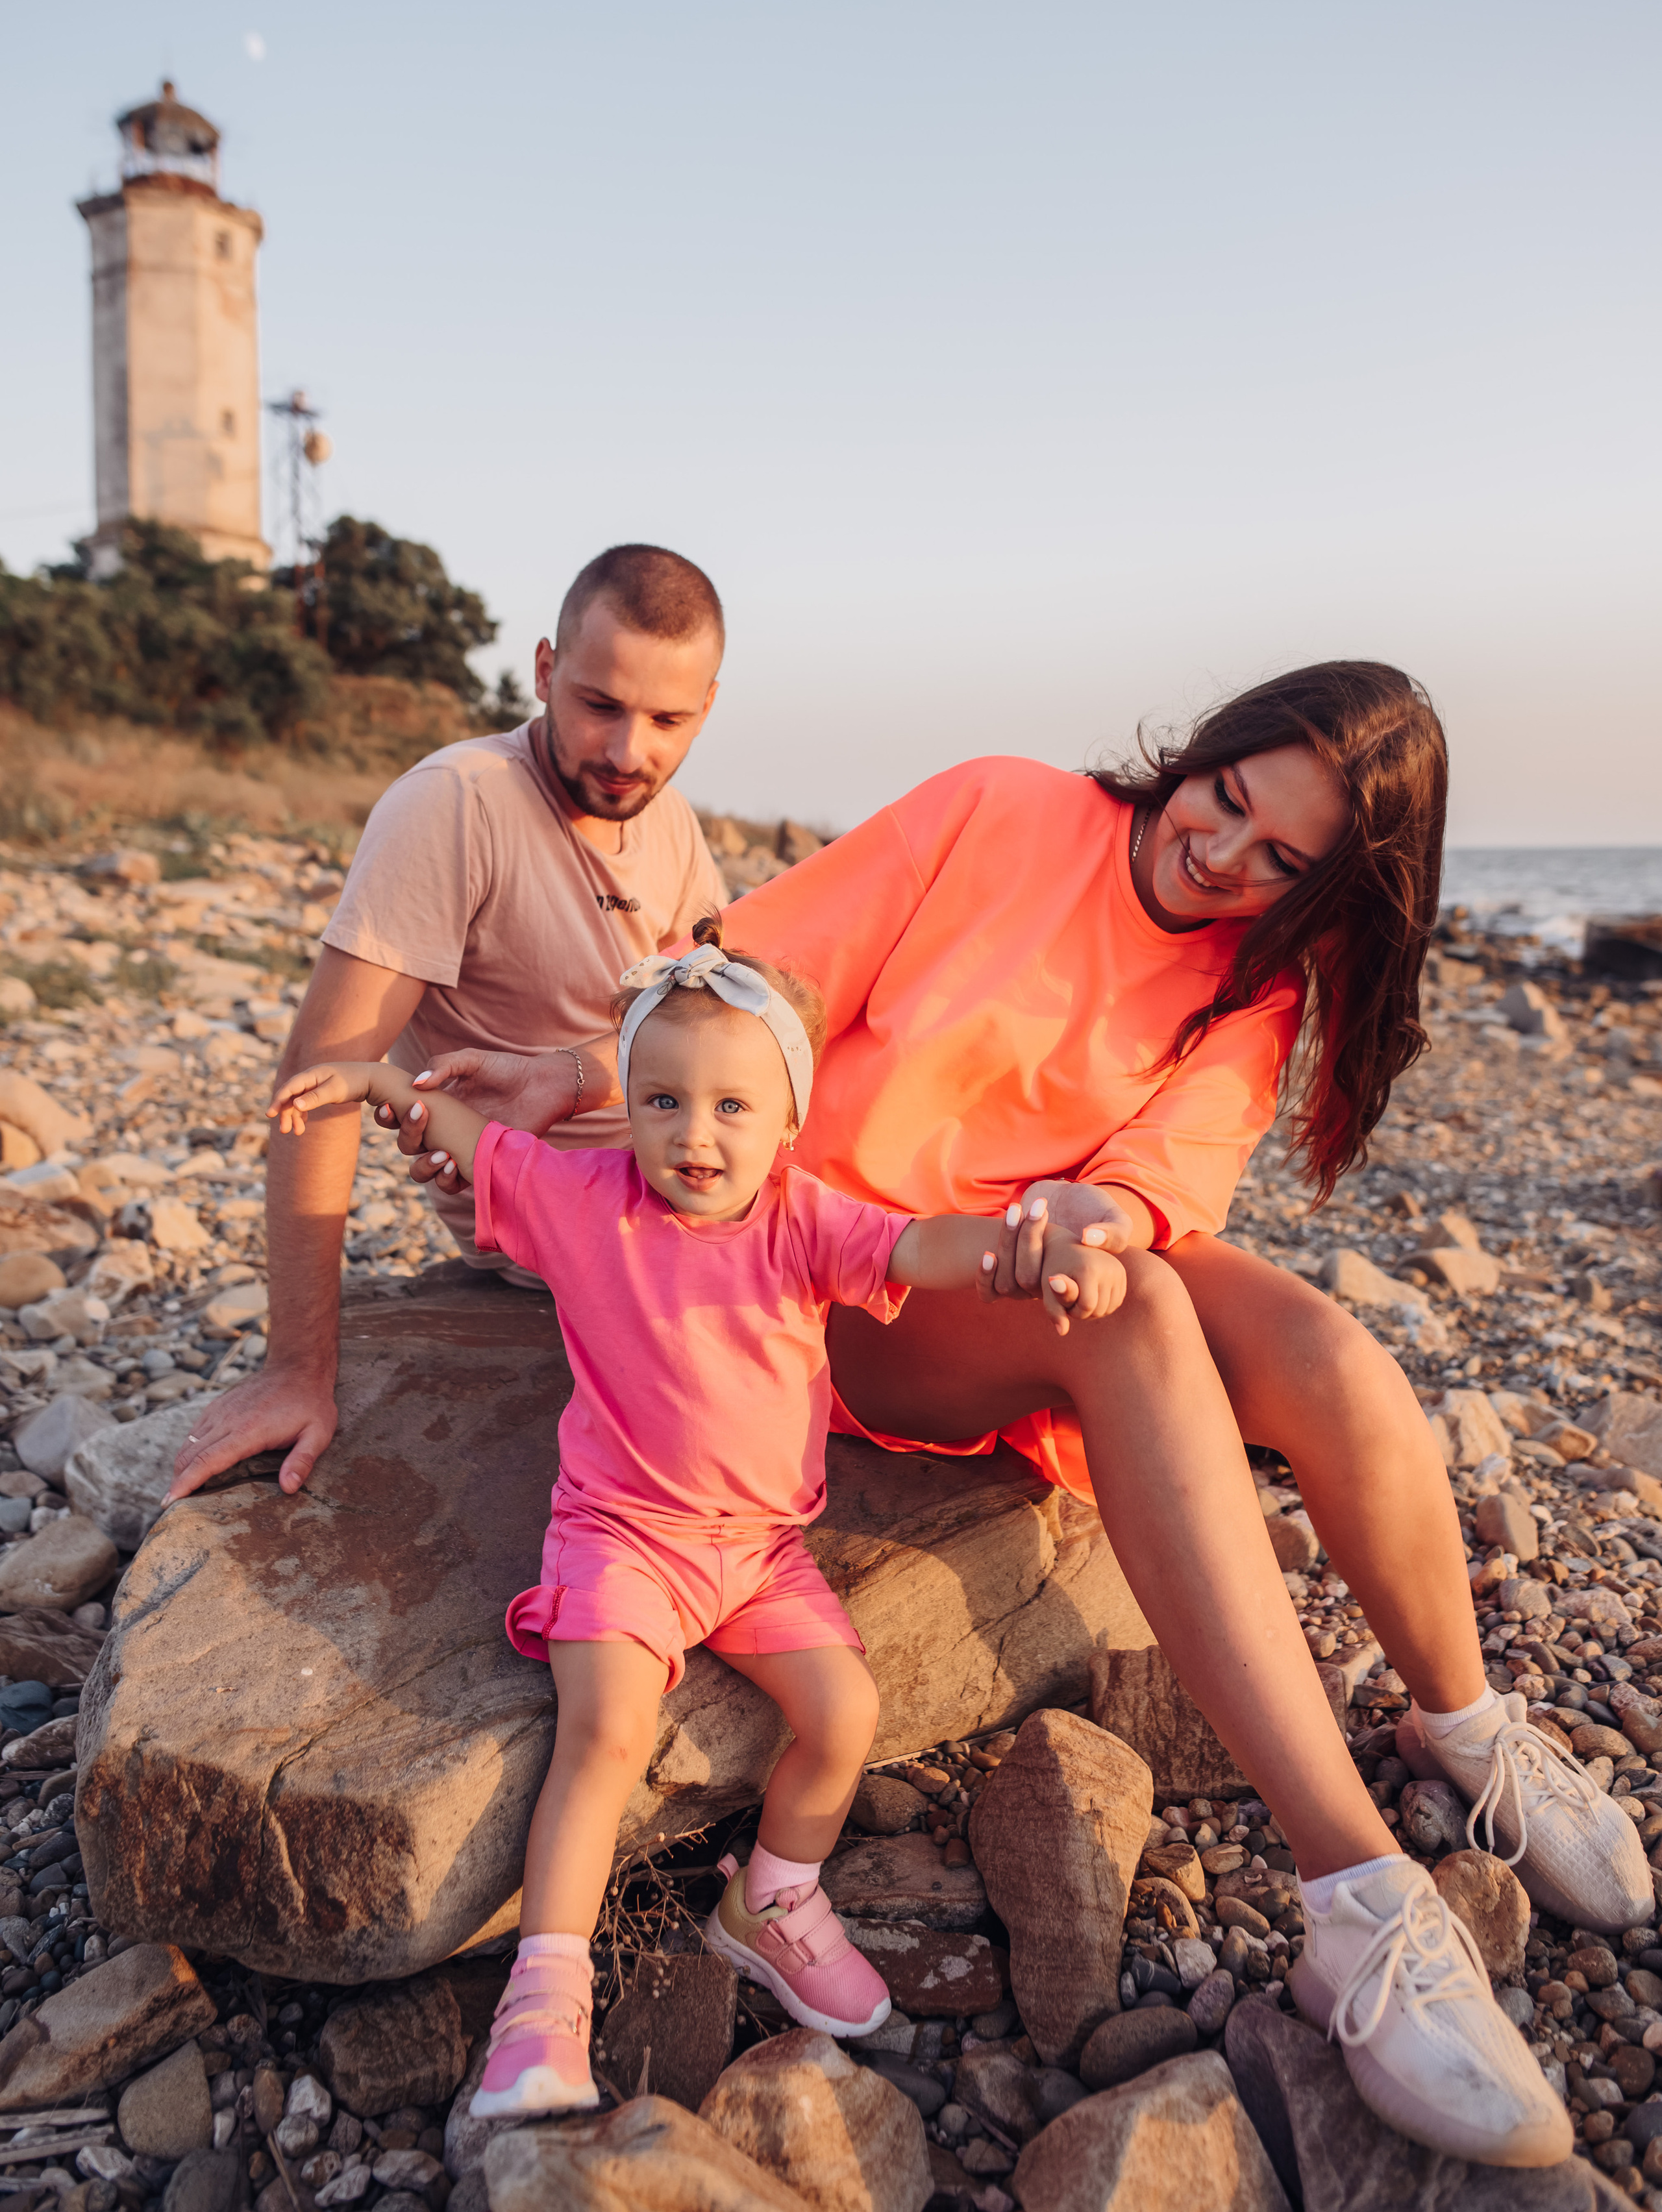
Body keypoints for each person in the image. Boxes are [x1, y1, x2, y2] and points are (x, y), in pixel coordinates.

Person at [398, 661, 1638, 2168]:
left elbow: (1154, 1188)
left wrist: (1082, 1213)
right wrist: (574, 1078)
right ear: (1201, 751)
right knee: (1139, 1320)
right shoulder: (999, 809)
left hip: (1019, 1265)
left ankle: (1467, 1727)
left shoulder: (1250, 989)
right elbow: (765, 988)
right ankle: (1355, 1903)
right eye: (1227, 799)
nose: (1225, 857)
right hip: (822, 1275)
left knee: (1321, 1349)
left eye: (1283, 862)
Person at [267, 926, 1120, 2117]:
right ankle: (545, 1999)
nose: (695, 1134)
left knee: (845, 1710)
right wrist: (375, 1084)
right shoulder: (585, 1200)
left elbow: (924, 1243)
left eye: (731, 1106)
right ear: (630, 1108)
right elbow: (481, 1145)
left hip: (760, 1551)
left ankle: (770, 1899)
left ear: (784, 1124)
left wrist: (1033, 1254)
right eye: (662, 1100)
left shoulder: (803, 1218)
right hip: (622, 1536)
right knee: (606, 1730)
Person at [165, 543, 730, 1512]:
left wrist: (574, 1073)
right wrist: (298, 1367)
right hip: (569, 1230)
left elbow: (714, 1026)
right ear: (546, 670)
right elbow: (320, 1073)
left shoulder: (669, 820)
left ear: (706, 706)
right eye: (599, 704)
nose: (629, 750)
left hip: (690, 1179)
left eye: (667, 719)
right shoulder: (457, 803)